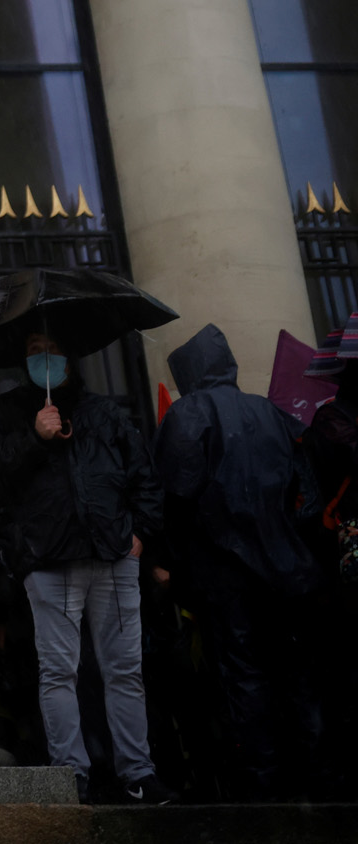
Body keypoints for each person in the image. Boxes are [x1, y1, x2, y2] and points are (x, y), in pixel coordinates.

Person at [0, 330, 174, 805]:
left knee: (124, 670)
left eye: (53, 349)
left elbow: (143, 476)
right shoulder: (4, 415)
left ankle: (138, 773)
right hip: (48, 561)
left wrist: (139, 536)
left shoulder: (103, 413)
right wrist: (33, 439)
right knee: (58, 671)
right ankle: (71, 774)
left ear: (70, 356)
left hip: (113, 558)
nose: (45, 358)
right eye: (33, 350)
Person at [155, 324, 326, 799]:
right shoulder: (271, 413)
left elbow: (177, 494)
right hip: (289, 569)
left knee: (244, 675)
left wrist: (172, 559)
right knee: (296, 674)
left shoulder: (190, 414)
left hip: (226, 572)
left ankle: (262, 785)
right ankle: (312, 776)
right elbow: (307, 496)